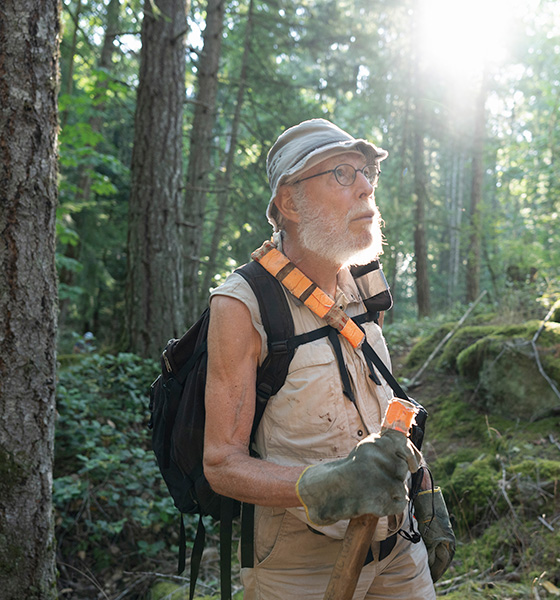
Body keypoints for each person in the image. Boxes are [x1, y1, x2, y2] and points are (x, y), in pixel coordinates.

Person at [202, 118, 455, 599]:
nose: (365, 187)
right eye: (342, 173)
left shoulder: (364, 281)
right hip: (300, 565)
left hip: (400, 548)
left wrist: (420, 485)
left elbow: (373, 403)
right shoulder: (243, 304)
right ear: (289, 202)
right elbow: (221, 464)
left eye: (366, 172)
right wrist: (330, 484)